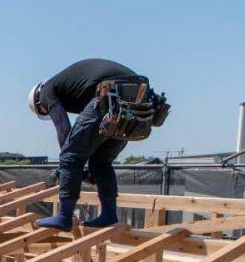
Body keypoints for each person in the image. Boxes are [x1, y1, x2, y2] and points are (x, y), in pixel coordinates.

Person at [28, 59, 166, 230]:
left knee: (69, 156)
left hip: (113, 93)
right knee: (101, 161)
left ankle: (64, 217)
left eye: (44, 110)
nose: (46, 111)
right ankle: (109, 215)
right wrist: (83, 169)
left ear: (38, 102)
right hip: (137, 99)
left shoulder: (46, 92)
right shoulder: (73, 88)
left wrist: (69, 165)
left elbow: (63, 128)